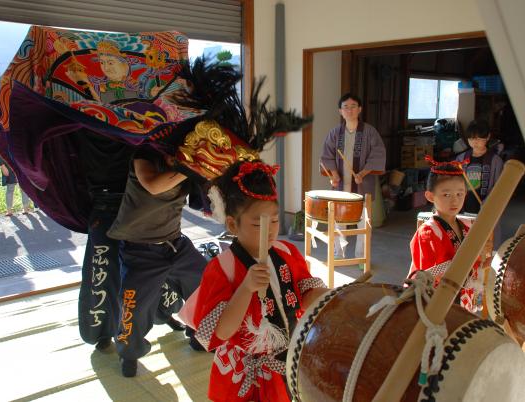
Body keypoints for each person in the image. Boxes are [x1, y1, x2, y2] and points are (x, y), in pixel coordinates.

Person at [191, 160, 329, 402]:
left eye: (275, 221)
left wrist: (331, 296)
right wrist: (246, 288)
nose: (271, 231)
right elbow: (220, 332)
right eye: (259, 224)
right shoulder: (222, 268)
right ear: (233, 224)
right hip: (245, 371)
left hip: (287, 359)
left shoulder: (286, 252)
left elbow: (304, 294)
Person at [106, 148, 207, 377]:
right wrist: (193, 165)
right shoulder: (144, 154)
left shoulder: (189, 158)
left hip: (175, 244)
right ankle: (129, 353)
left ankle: (200, 332)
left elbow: (202, 201)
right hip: (139, 250)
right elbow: (153, 185)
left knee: (206, 281)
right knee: (133, 306)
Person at [408, 157, 482, 313]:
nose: (454, 201)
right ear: (429, 196)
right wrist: (462, 261)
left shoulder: (466, 228)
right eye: (446, 195)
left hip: (462, 298)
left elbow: (474, 265)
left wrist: (483, 256)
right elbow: (425, 275)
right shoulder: (428, 232)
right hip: (436, 301)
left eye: (459, 194)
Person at [320, 93, 386, 259]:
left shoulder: (370, 132)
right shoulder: (335, 133)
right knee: (338, 222)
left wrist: (363, 173)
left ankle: (360, 257)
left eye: (353, 106)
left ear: (360, 109)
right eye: (345, 107)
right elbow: (326, 156)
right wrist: (334, 175)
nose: (349, 110)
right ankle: (338, 254)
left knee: (363, 223)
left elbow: (378, 154)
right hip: (340, 187)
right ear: (340, 111)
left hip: (362, 185)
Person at [455, 119, 504, 248]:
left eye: (478, 138)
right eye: (471, 138)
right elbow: (454, 183)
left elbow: (499, 187)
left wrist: (488, 202)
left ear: (487, 137)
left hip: (485, 206)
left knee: (485, 242)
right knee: (464, 241)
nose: (474, 142)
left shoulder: (495, 161)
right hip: (466, 205)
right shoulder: (461, 159)